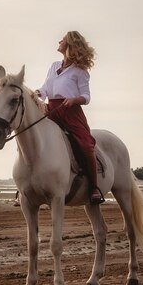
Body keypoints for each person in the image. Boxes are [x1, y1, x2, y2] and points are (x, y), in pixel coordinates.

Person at [35, 31, 104, 205]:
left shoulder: (80, 71)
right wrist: (38, 93)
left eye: (63, 40)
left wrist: (74, 100)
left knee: (86, 145)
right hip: (51, 110)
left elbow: (86, 96)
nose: (59, 41)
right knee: (32, 139)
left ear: (70, 45)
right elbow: (45, 89)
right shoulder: (53, 66)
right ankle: (25, 188)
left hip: (71, 112)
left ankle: (94, 188)